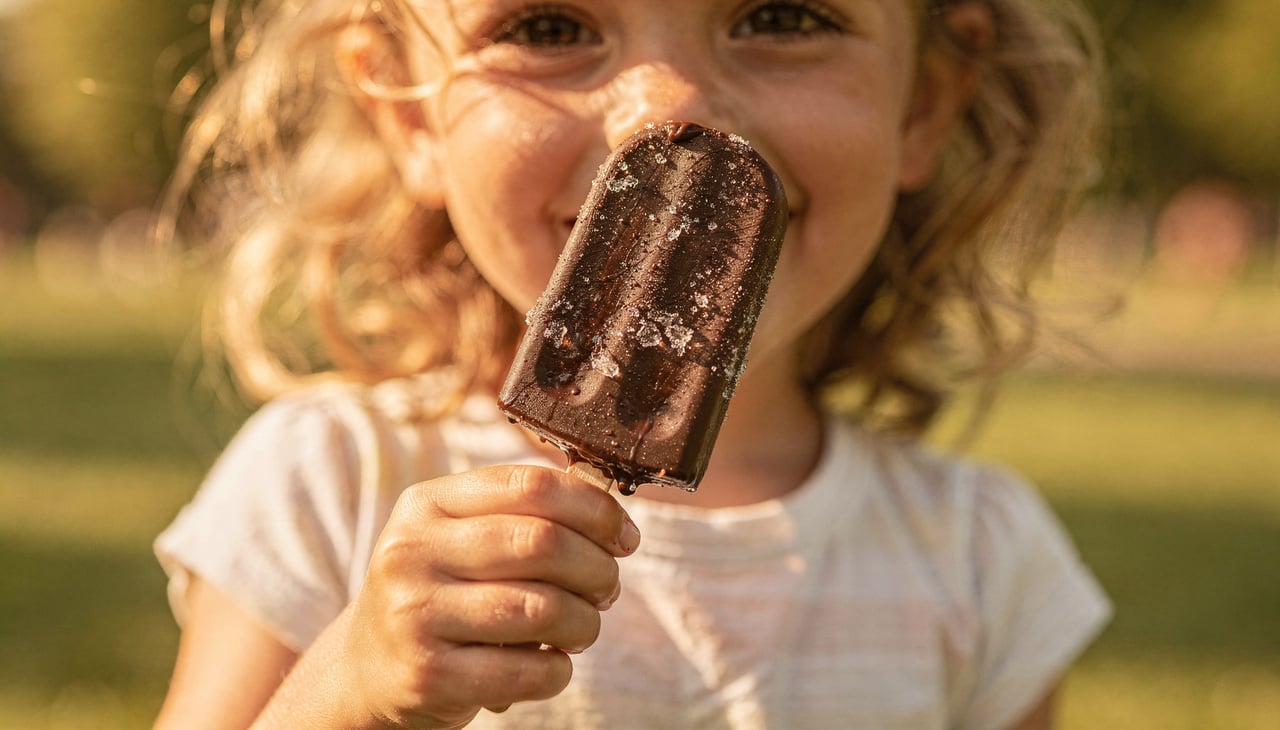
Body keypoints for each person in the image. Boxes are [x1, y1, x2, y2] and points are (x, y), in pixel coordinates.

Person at [152, 0, 1111, 728]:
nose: (669, 111)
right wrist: (352, 686)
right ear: (408, 117)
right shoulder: (330, 485)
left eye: (780, 15)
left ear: (926, 104)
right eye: (549, 24)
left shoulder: (980, 558)